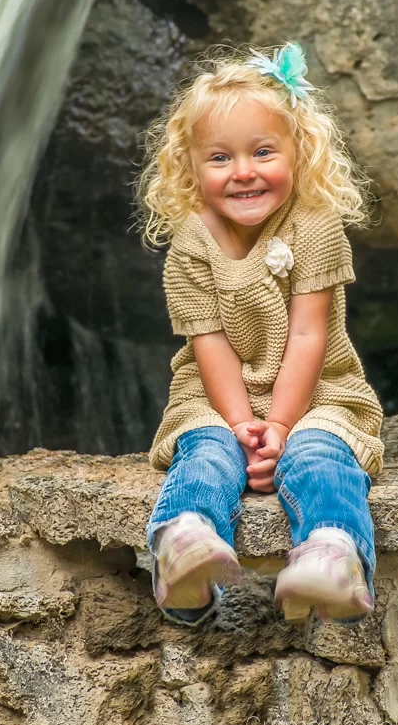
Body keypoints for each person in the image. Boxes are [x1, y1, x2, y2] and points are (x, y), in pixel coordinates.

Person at [136, 43, 384, 627]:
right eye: (219, 158)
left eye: (263, 151)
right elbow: (210, 342)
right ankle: (185, 545)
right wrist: (242, 424)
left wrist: (279, 425)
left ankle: (333, 551)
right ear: (190, 168)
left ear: (300, 152)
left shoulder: (316, 224)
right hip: (213, 393)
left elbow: (307, 335)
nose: (243, 171)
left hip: (321, 390)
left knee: (319, 453)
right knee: (206, 453)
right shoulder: (191, 243)